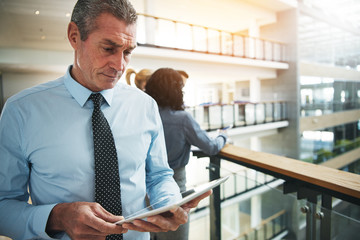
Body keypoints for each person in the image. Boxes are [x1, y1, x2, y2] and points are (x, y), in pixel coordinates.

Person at [0, 1, 211, 239]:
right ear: (74, 36)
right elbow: (3, 204)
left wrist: (168, 202)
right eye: (108, 48)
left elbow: (159, 175)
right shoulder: (22, 111)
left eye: (128, 52)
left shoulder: (145, 106)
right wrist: (58, 217)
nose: (119, 65)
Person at [145, 68, 227, 240]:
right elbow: (211, 147)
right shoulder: (182, 119)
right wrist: (223, 135)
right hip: (174, 188)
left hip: (144, 190)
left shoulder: (145, 116)